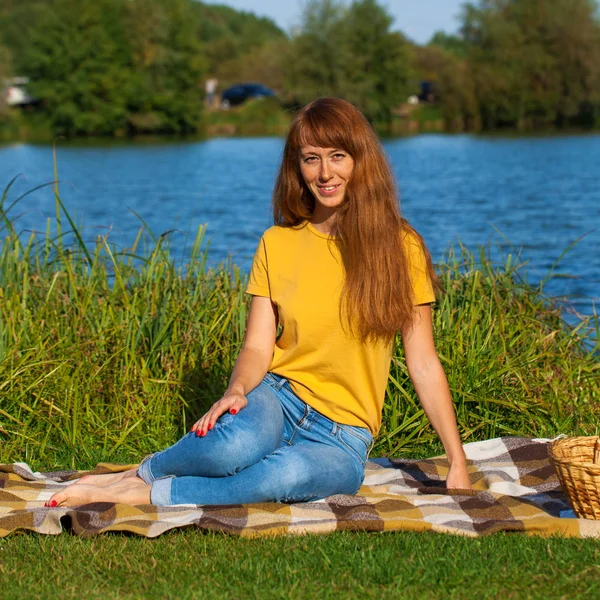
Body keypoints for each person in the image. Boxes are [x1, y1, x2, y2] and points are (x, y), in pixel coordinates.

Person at [46, 98, 471, 508]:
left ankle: (140, 493)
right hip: (278, 398)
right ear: (297, 167)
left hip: (344, 436)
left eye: (338, 156)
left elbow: (423, 362)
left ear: (361, 160)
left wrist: (457, 460)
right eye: (311, 158)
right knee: (230, 449)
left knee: (283, 476)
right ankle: (141, 474)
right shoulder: (278, 243)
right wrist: (236, 389)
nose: (325, 173)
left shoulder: (401, 248)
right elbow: (256, 346)